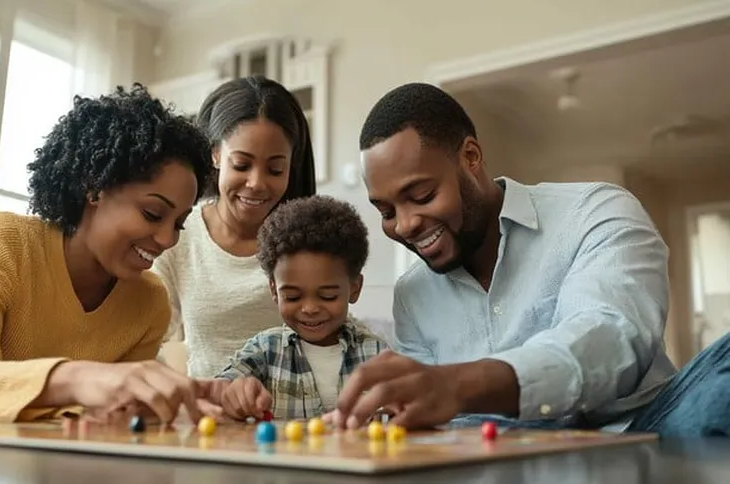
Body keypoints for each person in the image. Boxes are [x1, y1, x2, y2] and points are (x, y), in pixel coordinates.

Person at [331, 82, 730, 437]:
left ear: (470, 157)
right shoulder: (412, 293)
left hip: (647, 429)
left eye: (421, 196)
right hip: (505, 447)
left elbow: (612, 339)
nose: (404, 225)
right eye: (386, 211)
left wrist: (457, 385)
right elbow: (433, 423)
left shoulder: (596, 212)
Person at [0, 84, 216, 424]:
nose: (168, 239)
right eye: (153, 214)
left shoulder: (148, 303)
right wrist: (75, 379)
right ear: (94, 189)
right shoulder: (2, 242)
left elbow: (103, 417)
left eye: (180, 223)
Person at [152, 76, 317, 379]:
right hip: (212, 418)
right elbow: (146, 336)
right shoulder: (179, 234)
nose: (256, 183)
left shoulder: (307, 237)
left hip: (295, 417)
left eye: (275, 169)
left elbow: (334, 332)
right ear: (215, 154)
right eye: (242, 165)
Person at [210, 195, 386, 420]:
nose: (310, 308)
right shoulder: (265, 349)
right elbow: (221, 386)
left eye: (328, 296)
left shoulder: (376, 354)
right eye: (293, 297)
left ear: (354, 288)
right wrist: (233, 392)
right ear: (274, 290)